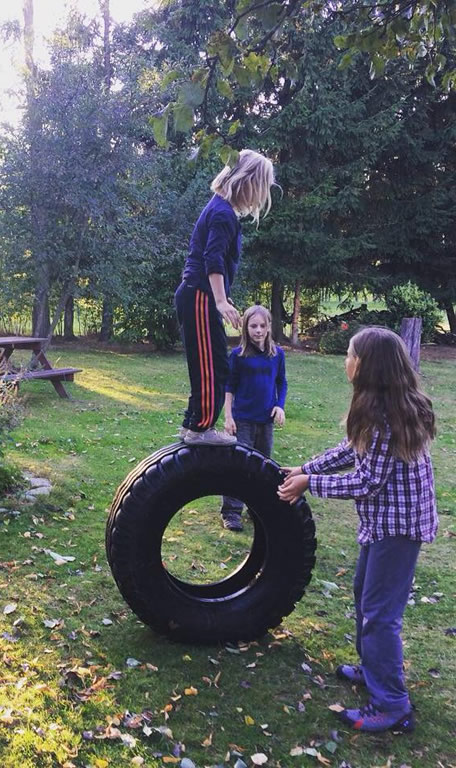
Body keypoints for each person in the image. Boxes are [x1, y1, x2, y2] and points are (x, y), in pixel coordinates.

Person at [278, 327, 437, 733]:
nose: (344, 361)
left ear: (366, 366)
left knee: (381, 616)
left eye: (349, 354)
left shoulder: (388, 417)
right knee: (364, 597)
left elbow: (368, 481)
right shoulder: (378, 407)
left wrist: (311, 485)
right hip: (385, 524)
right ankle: (374, 670)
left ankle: (393, 705)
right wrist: (307, 468)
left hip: (398, 528)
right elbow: (351, 450)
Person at [175, 149, 277, 446]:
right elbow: (213, 258)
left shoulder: (220, 209)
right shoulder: (222, 214)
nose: (262, 195)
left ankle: (191, 424)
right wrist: (220, 301)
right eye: (262, 187)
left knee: (208, 363)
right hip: (200, 296)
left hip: (197, 296)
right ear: (249, 182)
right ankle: (200, 428)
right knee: (214, 366)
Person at [219, 304, 287, 530]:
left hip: (265, 421)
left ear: (269, 327)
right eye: (253, 326)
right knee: (240, 466)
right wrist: (228, 416)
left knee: (262, 466)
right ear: (246, 328)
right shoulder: (238, 356)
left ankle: (257, 508)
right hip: (243, 420)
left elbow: (281, 383)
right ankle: (231, 512)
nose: (258, 330)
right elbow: (229, 386)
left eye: (262, 326)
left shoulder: (277, 355)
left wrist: (280, 406)